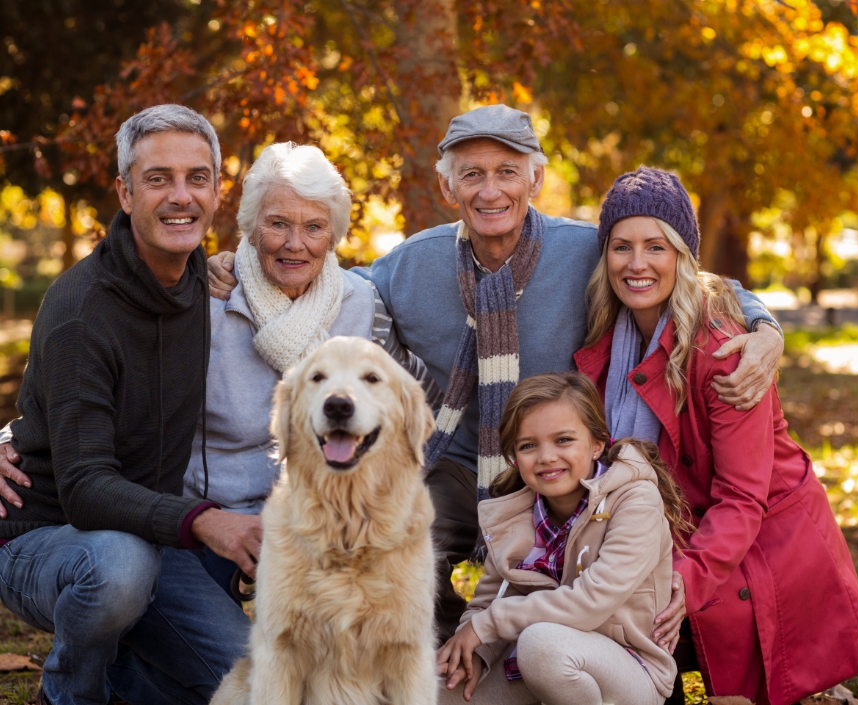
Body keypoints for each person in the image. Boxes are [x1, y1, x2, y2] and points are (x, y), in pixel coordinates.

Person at [204, 104, 784, 644]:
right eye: (472, 174)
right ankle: (439, 667)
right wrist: (241, 261)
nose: (490, 190)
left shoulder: (586, 251)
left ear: (535, 181)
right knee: (395, 548)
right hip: (454, 461)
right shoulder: (412, 264)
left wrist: (764, 329)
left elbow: (687, 275)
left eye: (507, 172)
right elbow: (323, 273)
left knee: (574, 585)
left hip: (561, 463)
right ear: (447, 185)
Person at [573, 166, 858, 704]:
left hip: (757, 553)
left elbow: (742, 498)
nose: (637, 264)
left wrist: (680, 579)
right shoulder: (604, 341)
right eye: (621, 247)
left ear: (683, 255)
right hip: (669, 532)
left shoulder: (722, 353)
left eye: (656, 247)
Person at [0, 105, 254, 705]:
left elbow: (315, 268)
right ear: (125, 192)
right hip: (47, 538)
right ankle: (67, 694)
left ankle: (123, 682)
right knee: (119, 569)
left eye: (197, 177)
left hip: (149, 535)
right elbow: (86, 488)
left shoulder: (202, 278)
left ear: (219, 189)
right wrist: (206, 521)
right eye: (158, 178)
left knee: (256, 683)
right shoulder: (81, 313)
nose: (180, 196)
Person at [184, 140, 438, 597]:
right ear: (252, 227)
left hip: (332, 521)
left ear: (333, 235)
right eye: (278, 223)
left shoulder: (363, 303)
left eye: (314, 227)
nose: (295, 244)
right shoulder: (205, 301)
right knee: (222, 664)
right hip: (221, 527)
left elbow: (403, 402)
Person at [437, 371, 685, 705]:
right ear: (513, 457)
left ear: (597, 444)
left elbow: (590, 602)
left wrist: (488, 624)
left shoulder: (635, 500)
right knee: (433, 692)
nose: (547, 457)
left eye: (564, 440)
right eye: (528, 446)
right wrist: (476, 653)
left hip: (629, 669)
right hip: (530, 659)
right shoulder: (514, 513)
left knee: (543, 646)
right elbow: (488, 601)